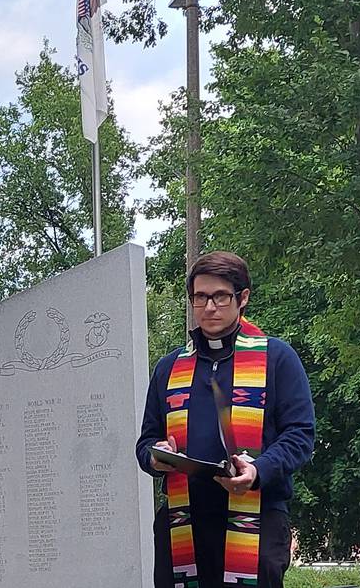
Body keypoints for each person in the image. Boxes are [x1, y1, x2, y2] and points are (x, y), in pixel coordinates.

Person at [136, 251, 315, 588]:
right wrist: (157, 455)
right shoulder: (168, 368)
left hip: (257, 518)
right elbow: (146, 442)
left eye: (220, 296)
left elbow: (300, 435)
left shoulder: (277, 358)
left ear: (242, 297)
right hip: (183, 522)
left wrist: (258, 469)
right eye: (200, 297)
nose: (209, 307)